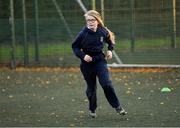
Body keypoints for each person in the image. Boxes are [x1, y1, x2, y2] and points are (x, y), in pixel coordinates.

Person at [72, 10, 127, 118]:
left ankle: (117, 107)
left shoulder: (103, 31)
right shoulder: (83, 34)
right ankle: (92, 109)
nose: (90, 22)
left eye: (93, 20)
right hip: (87, 64)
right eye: (88, 20)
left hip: (100, 61)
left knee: (106, 83)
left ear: (97, 21)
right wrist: (83, 56)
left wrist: (110, 50)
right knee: (91, 88)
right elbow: (75, 47)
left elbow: (110, 41)